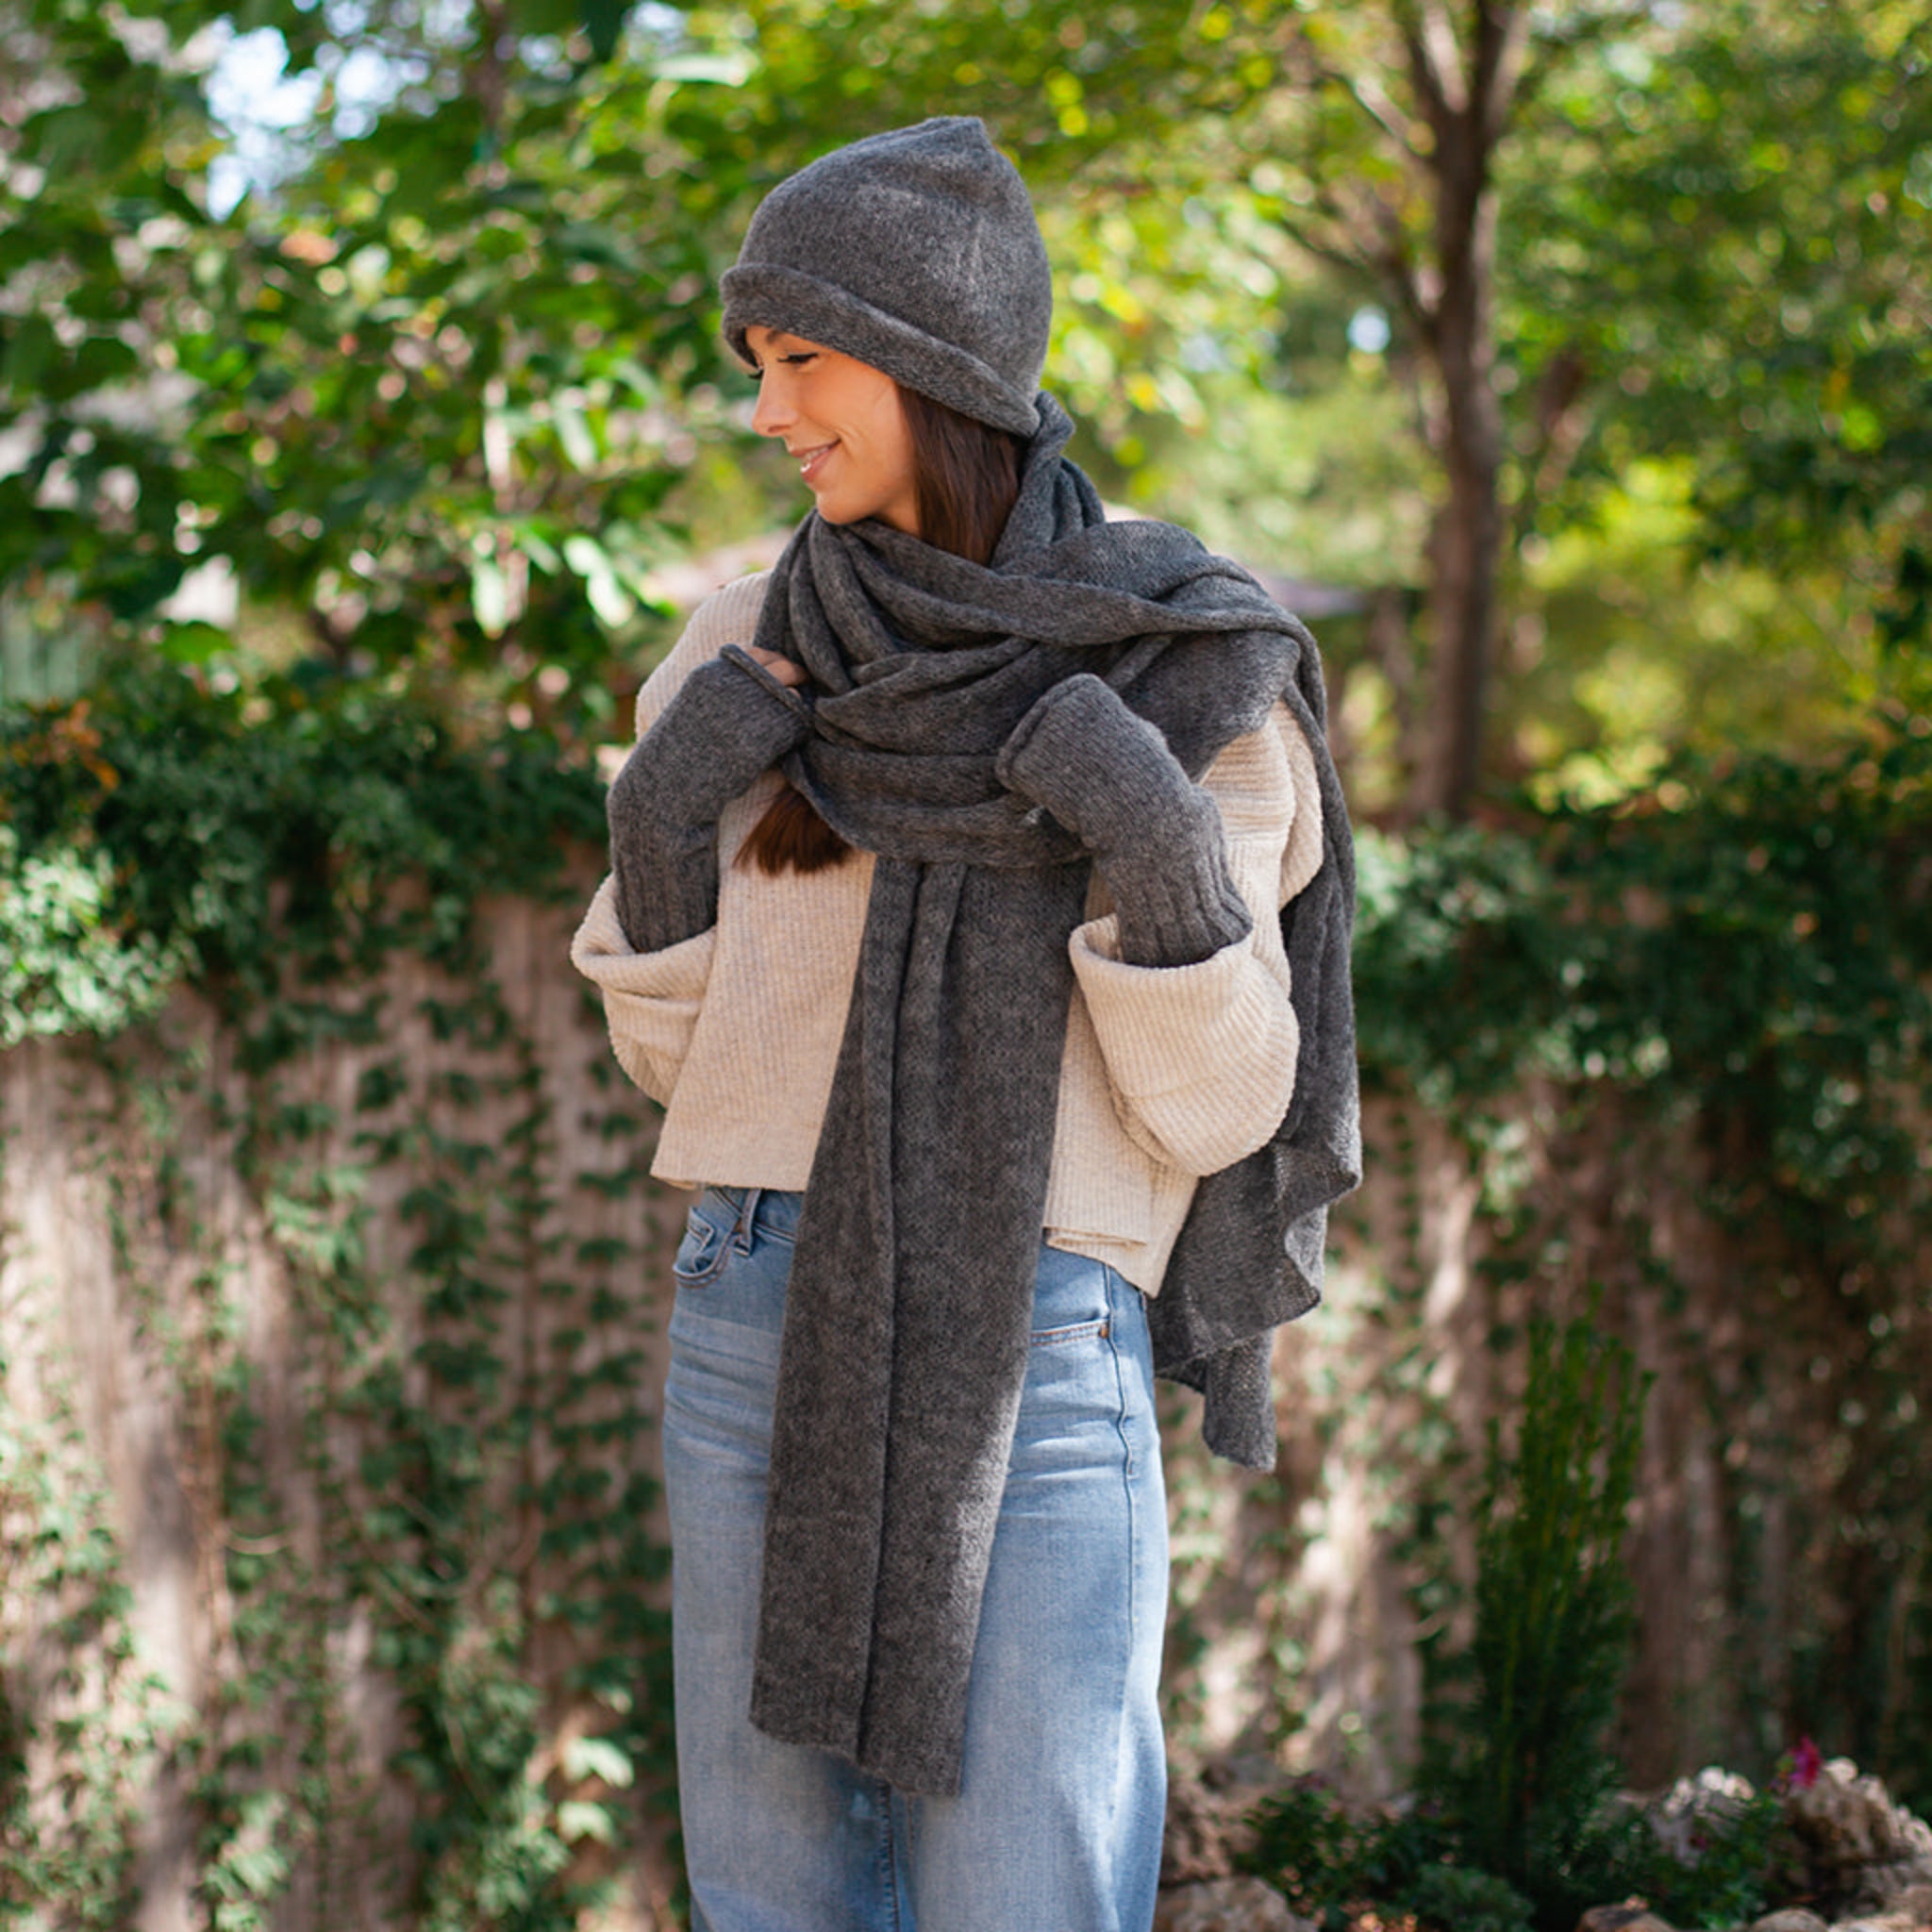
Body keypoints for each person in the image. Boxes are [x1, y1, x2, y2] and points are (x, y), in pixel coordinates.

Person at [572, 116, 1359, 1932]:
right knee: (775, 1897)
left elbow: (1224, 1109)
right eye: (757, 365)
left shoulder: (1182, 663)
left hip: (1044, 1330)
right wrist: (660, 825)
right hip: (752, 1302)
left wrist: (1150, 835)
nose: (768, 412)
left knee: (1031, 1892)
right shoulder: (746, 639)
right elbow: (681, 1070)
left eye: (803, 361)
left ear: (929, 365)